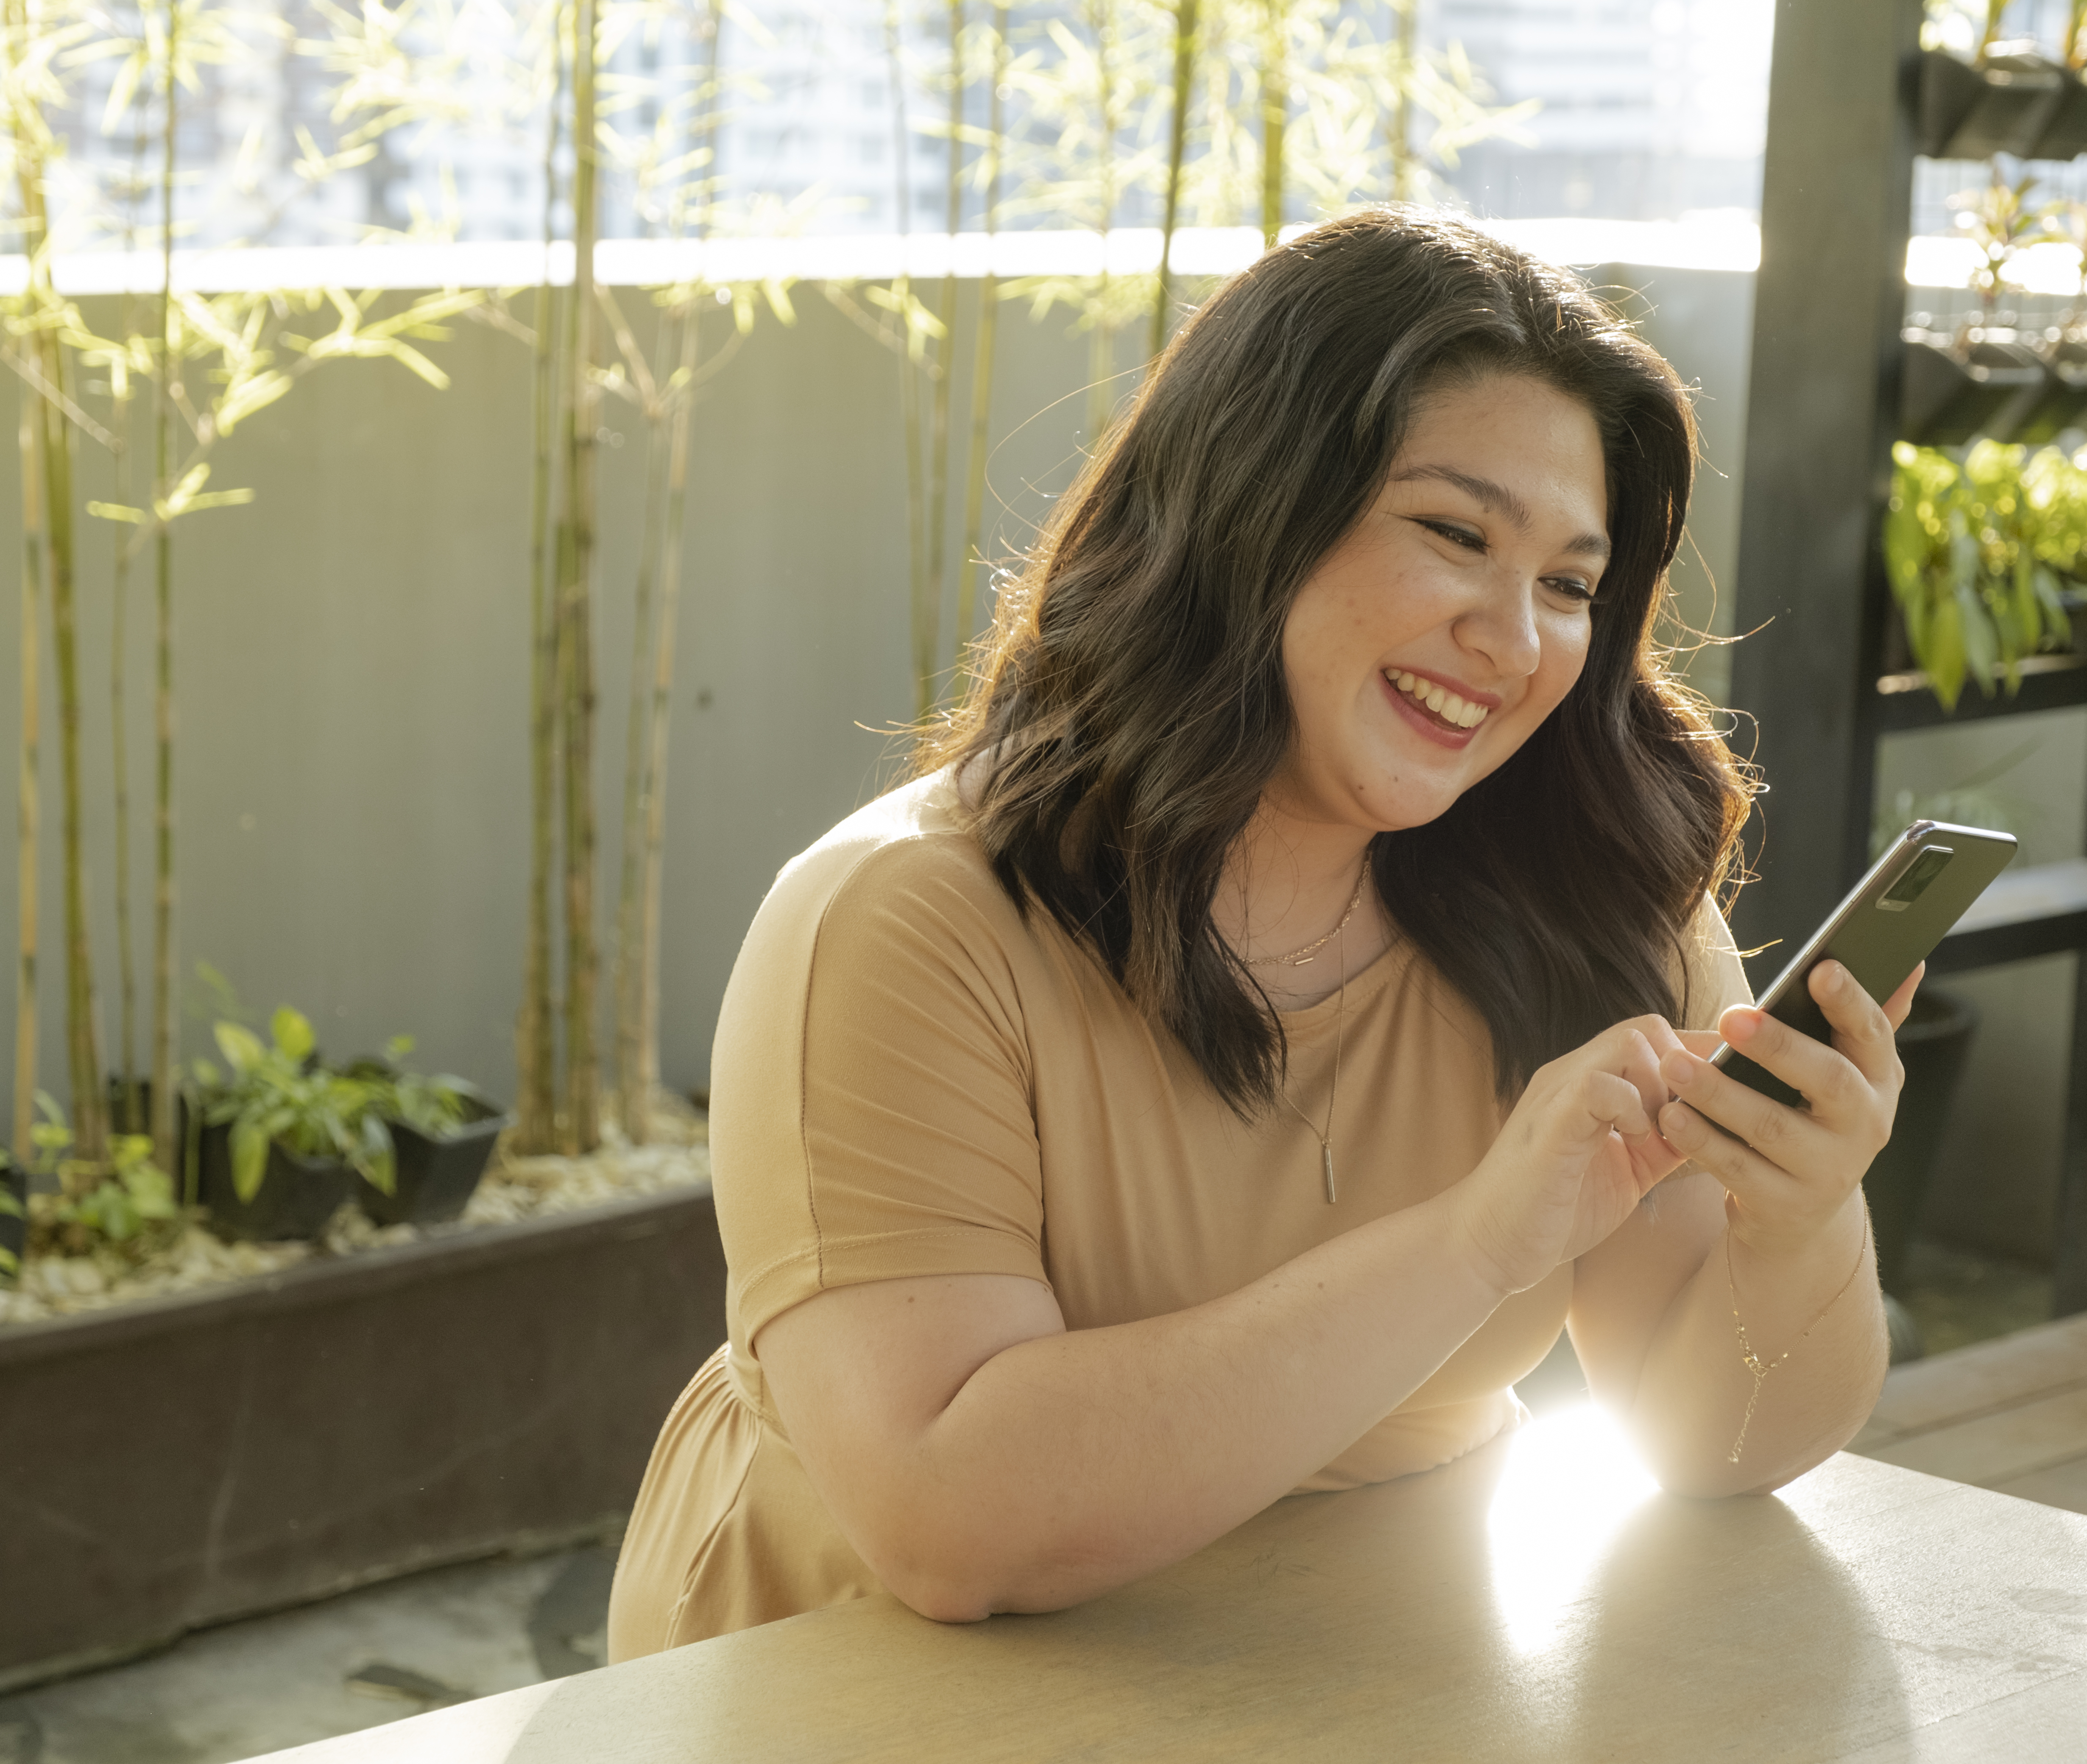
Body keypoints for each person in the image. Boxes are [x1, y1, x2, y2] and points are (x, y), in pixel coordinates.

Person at [606, 206, 1908, 1659]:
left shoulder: (1590, 896)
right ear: (1247, 514)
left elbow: (1711, 1445)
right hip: (861, 1695)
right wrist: (1474, 1244)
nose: (1517, 637)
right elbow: (947, 1517)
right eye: (1452, 534)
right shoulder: (907, 924)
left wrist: (1798, 1219)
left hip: (1351, 1682)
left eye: (1567, 586)